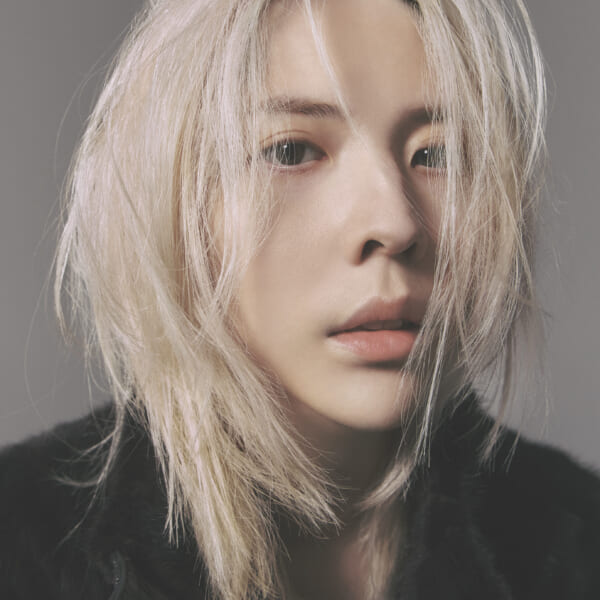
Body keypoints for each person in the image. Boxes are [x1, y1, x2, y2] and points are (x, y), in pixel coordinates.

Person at [1, 0, 599, 598]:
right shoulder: (22, 547)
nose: (395, 223)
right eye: (292, 151)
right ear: (175, 194)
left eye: (437, 154)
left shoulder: (576, 543)